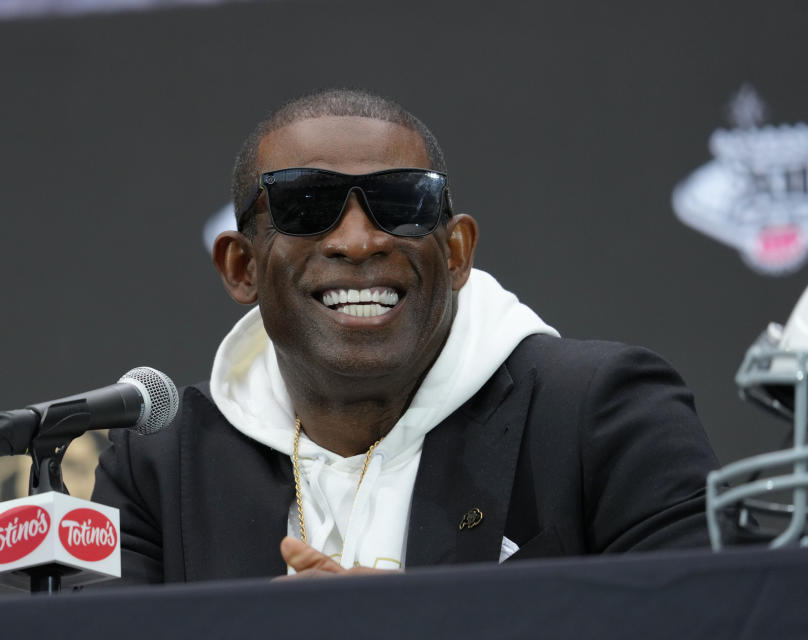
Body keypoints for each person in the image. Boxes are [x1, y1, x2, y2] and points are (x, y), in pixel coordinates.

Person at [91, 89, 721, 583]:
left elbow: (714, 617)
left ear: (456, 253)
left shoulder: (604, 413)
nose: (359, 241)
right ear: (241, 266)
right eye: (307, 206)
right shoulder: (157, 469)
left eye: (402, 204)